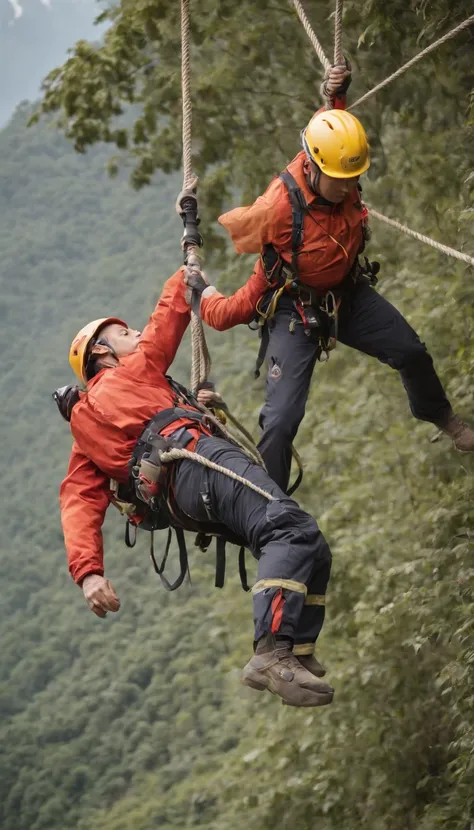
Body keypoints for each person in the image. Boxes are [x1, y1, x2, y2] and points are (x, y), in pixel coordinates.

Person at [186, 65, 474, 493]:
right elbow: (237, 309)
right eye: (341, 181)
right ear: (316, 169)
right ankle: (269, 508)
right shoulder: (276, 212)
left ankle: (444, 419)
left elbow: (334, 136)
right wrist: (201, 289)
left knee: (411, 351)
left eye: (354, 178)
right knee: (280, 422)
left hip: (348, 293)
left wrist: (335, 95)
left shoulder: (338, 165)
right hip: (295, 311)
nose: (349, 187)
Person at [58, 265, 334, 708]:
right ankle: (272, 651)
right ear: (104, 356)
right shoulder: (129, 374)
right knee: (289, 528)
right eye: (125, 333)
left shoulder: (88, 428)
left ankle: (296, 650)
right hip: (194, 461)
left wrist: (89, 572)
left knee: (308, 539)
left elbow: (78, 499)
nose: (136, 334)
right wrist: (183, 274)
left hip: (185, 495)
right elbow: (167, 320)